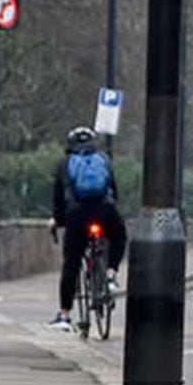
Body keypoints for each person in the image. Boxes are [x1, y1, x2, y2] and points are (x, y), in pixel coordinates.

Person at [47, 127, 128, 331]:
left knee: (71, 264)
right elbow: (114, 190)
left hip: (78, 215)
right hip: (105, 210)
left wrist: (57, 220)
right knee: (119, 237)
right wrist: (111, 211)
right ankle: (110, 274)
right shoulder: (104, 160)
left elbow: (59, 197)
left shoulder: (65, 163)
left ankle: (65, 316)